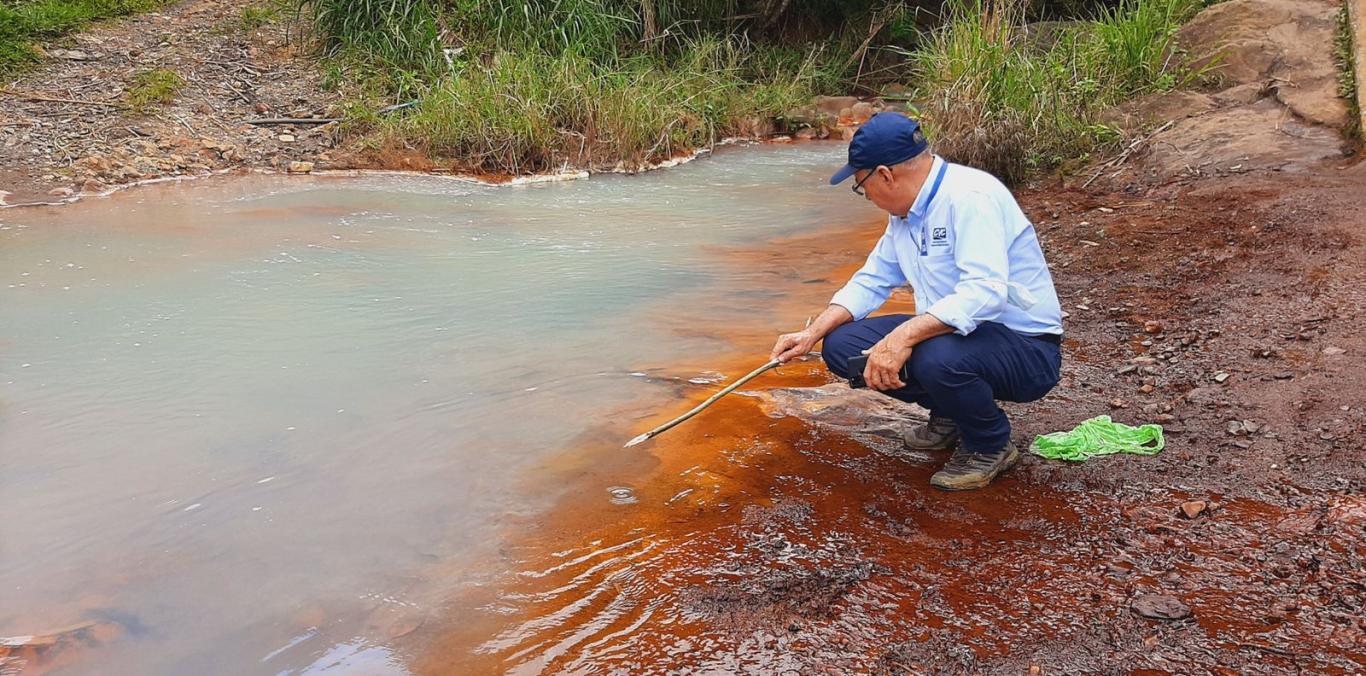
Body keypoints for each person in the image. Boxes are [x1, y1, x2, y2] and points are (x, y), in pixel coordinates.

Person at [770, 112, 1064, 490]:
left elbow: (986, 293)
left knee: (929, 353)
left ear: (885, 175)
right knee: (844, 346)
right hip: (958, 340)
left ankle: (990, 443)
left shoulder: (970, 198)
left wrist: (903, 336)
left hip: (1026, 348)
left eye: (862, 186)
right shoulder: (905, 216)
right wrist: (812, 333)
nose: (868, 197)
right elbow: (871, 281)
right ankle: (951, 413)